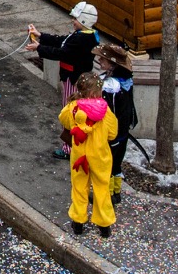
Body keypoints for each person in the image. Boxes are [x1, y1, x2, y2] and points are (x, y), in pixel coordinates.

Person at [57, 70, 117, 238]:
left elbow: (63, 119)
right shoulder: (105, 111)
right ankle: (104, 224)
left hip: (79, 155)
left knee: (79, 186)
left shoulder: (72, 108)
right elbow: (112, 133)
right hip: (100, 155)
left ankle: (78, 221)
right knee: (101, 187)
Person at [96, 43, 137, 204]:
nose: (99, 60)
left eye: (103, 59)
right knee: (116, 163)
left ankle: (108, 195)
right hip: (122, 129)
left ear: (112, 64)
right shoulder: (125, 80)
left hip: (113, 131)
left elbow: (107, 113)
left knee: (109, 162)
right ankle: (115, 192)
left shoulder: (111, 87)